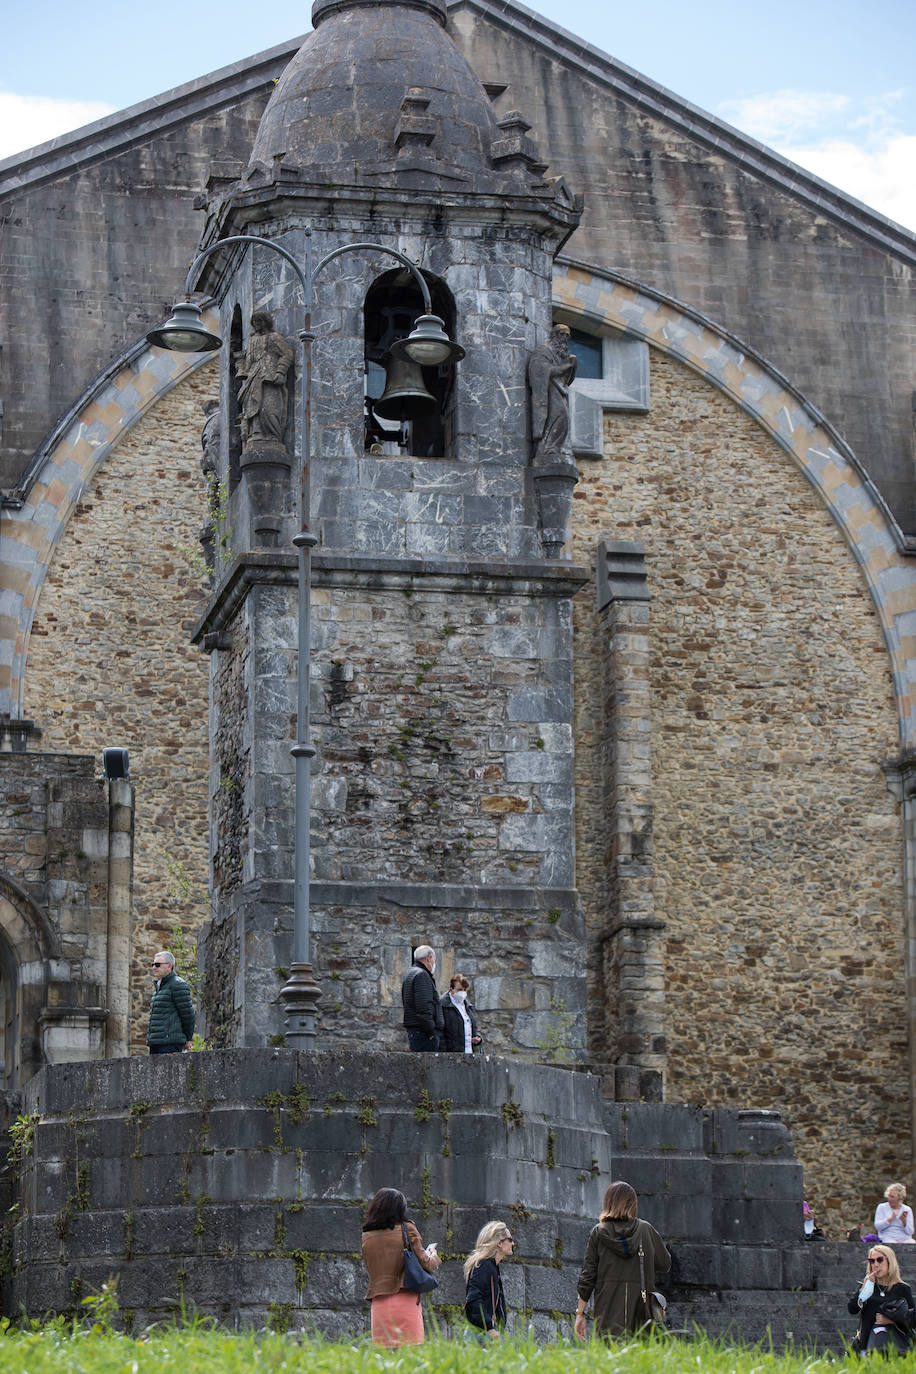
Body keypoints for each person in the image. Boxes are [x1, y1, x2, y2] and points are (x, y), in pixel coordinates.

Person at [574, 1180, 671, 1339]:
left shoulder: (598, 1233)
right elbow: (665, 1264)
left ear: (608, 1203)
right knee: (640, 1356)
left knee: (609, 1357)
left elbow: (587, 1277)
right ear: (633, 1204)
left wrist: (580, 1314)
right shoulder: (646, 1229)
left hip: (607, 1313)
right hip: (642, 1312)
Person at [361, 1187, 441, 1347]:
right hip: (405, 1299)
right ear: (400, 1209)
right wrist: (434, 1255)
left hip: (379, 1303)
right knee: (410, 1356)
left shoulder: (367, 1235)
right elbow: (427, 1264)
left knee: (383, 1359)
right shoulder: (408, 1229)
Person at [236, 310, 294, 454]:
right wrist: (242, 367)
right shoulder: (251, 340)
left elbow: (287, 353)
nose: (257, 325)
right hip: (254, 377)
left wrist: (280, 371)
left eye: (259, 321)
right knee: (253, 408)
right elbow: (245, 359)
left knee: (268, 408)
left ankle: (272, 436)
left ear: (266, 322)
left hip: (269, 377)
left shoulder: (273, 337)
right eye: (254, 322)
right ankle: (256, 433)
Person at [848, 1244, 915, 1354]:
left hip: (895, 1345)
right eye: (872, 1261)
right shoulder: (867, 1287)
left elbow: (913, 1318)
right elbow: (852, 1309)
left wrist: (891, 1320)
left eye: (880, 1260)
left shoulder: (902, 1288)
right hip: (868, 1343)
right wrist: (863, 1291)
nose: (876, 1265)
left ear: (890, 1262)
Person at [527, 323, 578, 462]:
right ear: (553, 335)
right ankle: (547, 449)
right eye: (562, 334)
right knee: (558, 415)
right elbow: (540, 370)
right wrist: (565, 366)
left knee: (564, 419)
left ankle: (555, 449)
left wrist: (571, 365)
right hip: (547, 394)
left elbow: (567, 380)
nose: (564, 339)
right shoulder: (543, 351)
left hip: (559, 392)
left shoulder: (560, 355)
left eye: (567, 336)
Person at [464, 1220, 514, 1339]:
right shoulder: (484, 1266)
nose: (513, 1243)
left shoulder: (492, 1266)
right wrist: (489, 1328)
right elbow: (473, 1299)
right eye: (510, 1239)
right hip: (480, 1333)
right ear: (499, 1243)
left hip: (484, 1332)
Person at [146, 950, 195, 1054]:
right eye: (153, 964)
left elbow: (188, 1015)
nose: (154, 967)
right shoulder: (159, 988)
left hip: (170, 1043)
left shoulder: (178, 985)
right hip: (156, 1043)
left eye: (158, 964)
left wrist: (188, 1039)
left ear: (169, 966)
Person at [401, 945, 444, 1052]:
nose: (434, 963)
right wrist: (431, 1032)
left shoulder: (410, 973)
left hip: (416, 1031)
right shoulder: (422, 975)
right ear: (429, 958)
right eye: (434, 959)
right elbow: (424, 1007)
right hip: (424, 1033)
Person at [440, 973, 482, 1053]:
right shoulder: (442, 1005)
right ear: (451, 989)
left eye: (464, 990)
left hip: (469, 1052)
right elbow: (440, 1032)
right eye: (459, 990)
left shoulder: (468, 1006)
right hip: (452, 1054)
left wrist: (477, 1037)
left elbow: (473, 1027)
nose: (462, 993)